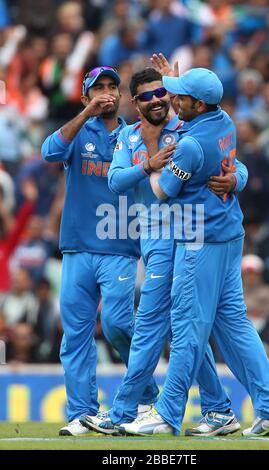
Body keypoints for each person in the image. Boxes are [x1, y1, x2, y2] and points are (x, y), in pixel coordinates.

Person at [121, 67, 269, 437]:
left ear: (198, 104)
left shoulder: (190, 145)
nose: (171, 100)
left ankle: (166, 414)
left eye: (180, 96)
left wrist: (149, 157)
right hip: (230, 235)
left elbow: (161, 191)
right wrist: (237, 179)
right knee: (235, 326)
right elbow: (236, 165)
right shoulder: (225, 120)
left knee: (186, 327)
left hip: (200, 240)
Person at [80, 67, 248, 437]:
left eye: (162, 93)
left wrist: (237, 179)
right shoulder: (127, 136)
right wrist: (147, 165)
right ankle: (219, 408)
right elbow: (115, 181)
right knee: (183, 328)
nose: (158, 100)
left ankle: (123, 410)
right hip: (154, 237)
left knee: (153, 322)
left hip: (189, 234)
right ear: (135, 103)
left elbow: (234, 161)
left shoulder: (187, 128)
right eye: (148, 96)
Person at [41, 66, 158, 436]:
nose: (106, 93)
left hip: (121, 246)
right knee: (75, 334)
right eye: (98, 89)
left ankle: (144, 395)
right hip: (76, 247)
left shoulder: (133, 135)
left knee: (117, 324)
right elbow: (49, 152)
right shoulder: (78, 131)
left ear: (122, 96)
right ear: (85, 96)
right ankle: (81, 414)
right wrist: (87, 114)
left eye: (112, 88)